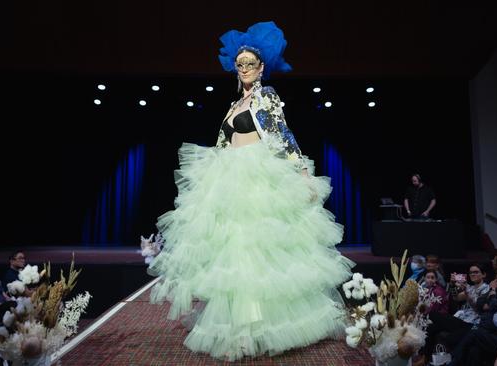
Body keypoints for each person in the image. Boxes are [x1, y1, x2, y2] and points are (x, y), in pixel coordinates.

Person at [147, 21, 355, 361]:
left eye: (251, 64)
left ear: (261, 68)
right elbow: (221, 142)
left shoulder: (266, 97)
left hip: (257, 176)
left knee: (256, 250)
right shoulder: (233, 105)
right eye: (240, 64)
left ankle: (257, 328)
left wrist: (302, 172)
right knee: (232, 251)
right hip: (231, 177)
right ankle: (238, 325)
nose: (244, 69)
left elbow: (283, 134)